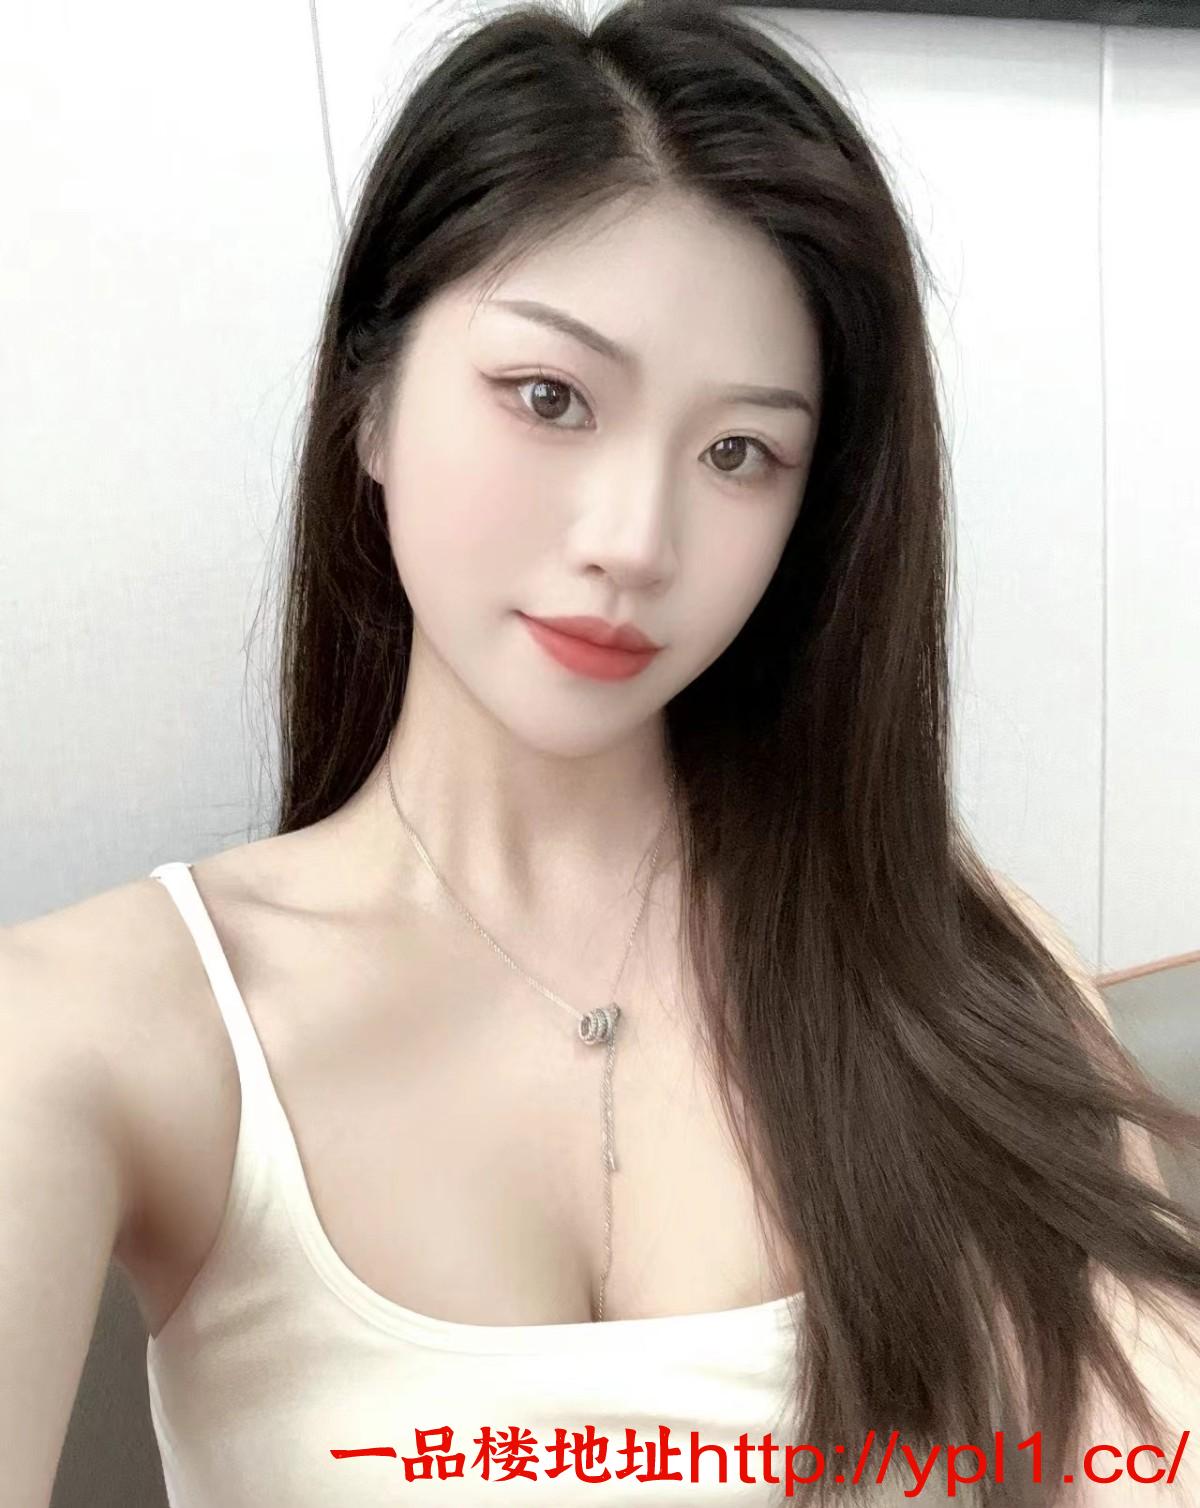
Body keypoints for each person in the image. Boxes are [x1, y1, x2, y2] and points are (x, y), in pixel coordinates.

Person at [4, 1, 1200, 1504]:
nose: (637, 541)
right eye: (550, 398)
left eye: (738, 453)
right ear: (369, 403)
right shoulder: (96, 1029)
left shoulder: (953, 966)